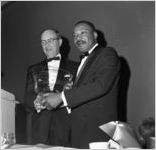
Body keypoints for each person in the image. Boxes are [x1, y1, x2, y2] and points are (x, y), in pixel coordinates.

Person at [42, 21, 121, 148]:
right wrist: (55, 101)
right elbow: (81, 97)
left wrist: (61, 97)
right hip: (78, 134)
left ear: (95, 35)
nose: (78, 38)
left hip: (98, 133)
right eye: (75, 35)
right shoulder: (81, 64)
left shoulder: (107, 53)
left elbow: (100, 85)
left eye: (83, 33)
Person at [24, 29, 75, 146]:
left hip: (66, 128)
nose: (46, 45)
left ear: (60, 42)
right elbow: (28, 97)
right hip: (40, 129)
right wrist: (36, 103)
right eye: (43, 42)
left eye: (50, 40)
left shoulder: (75, 67)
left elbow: (78, 96)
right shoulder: (33, 69)